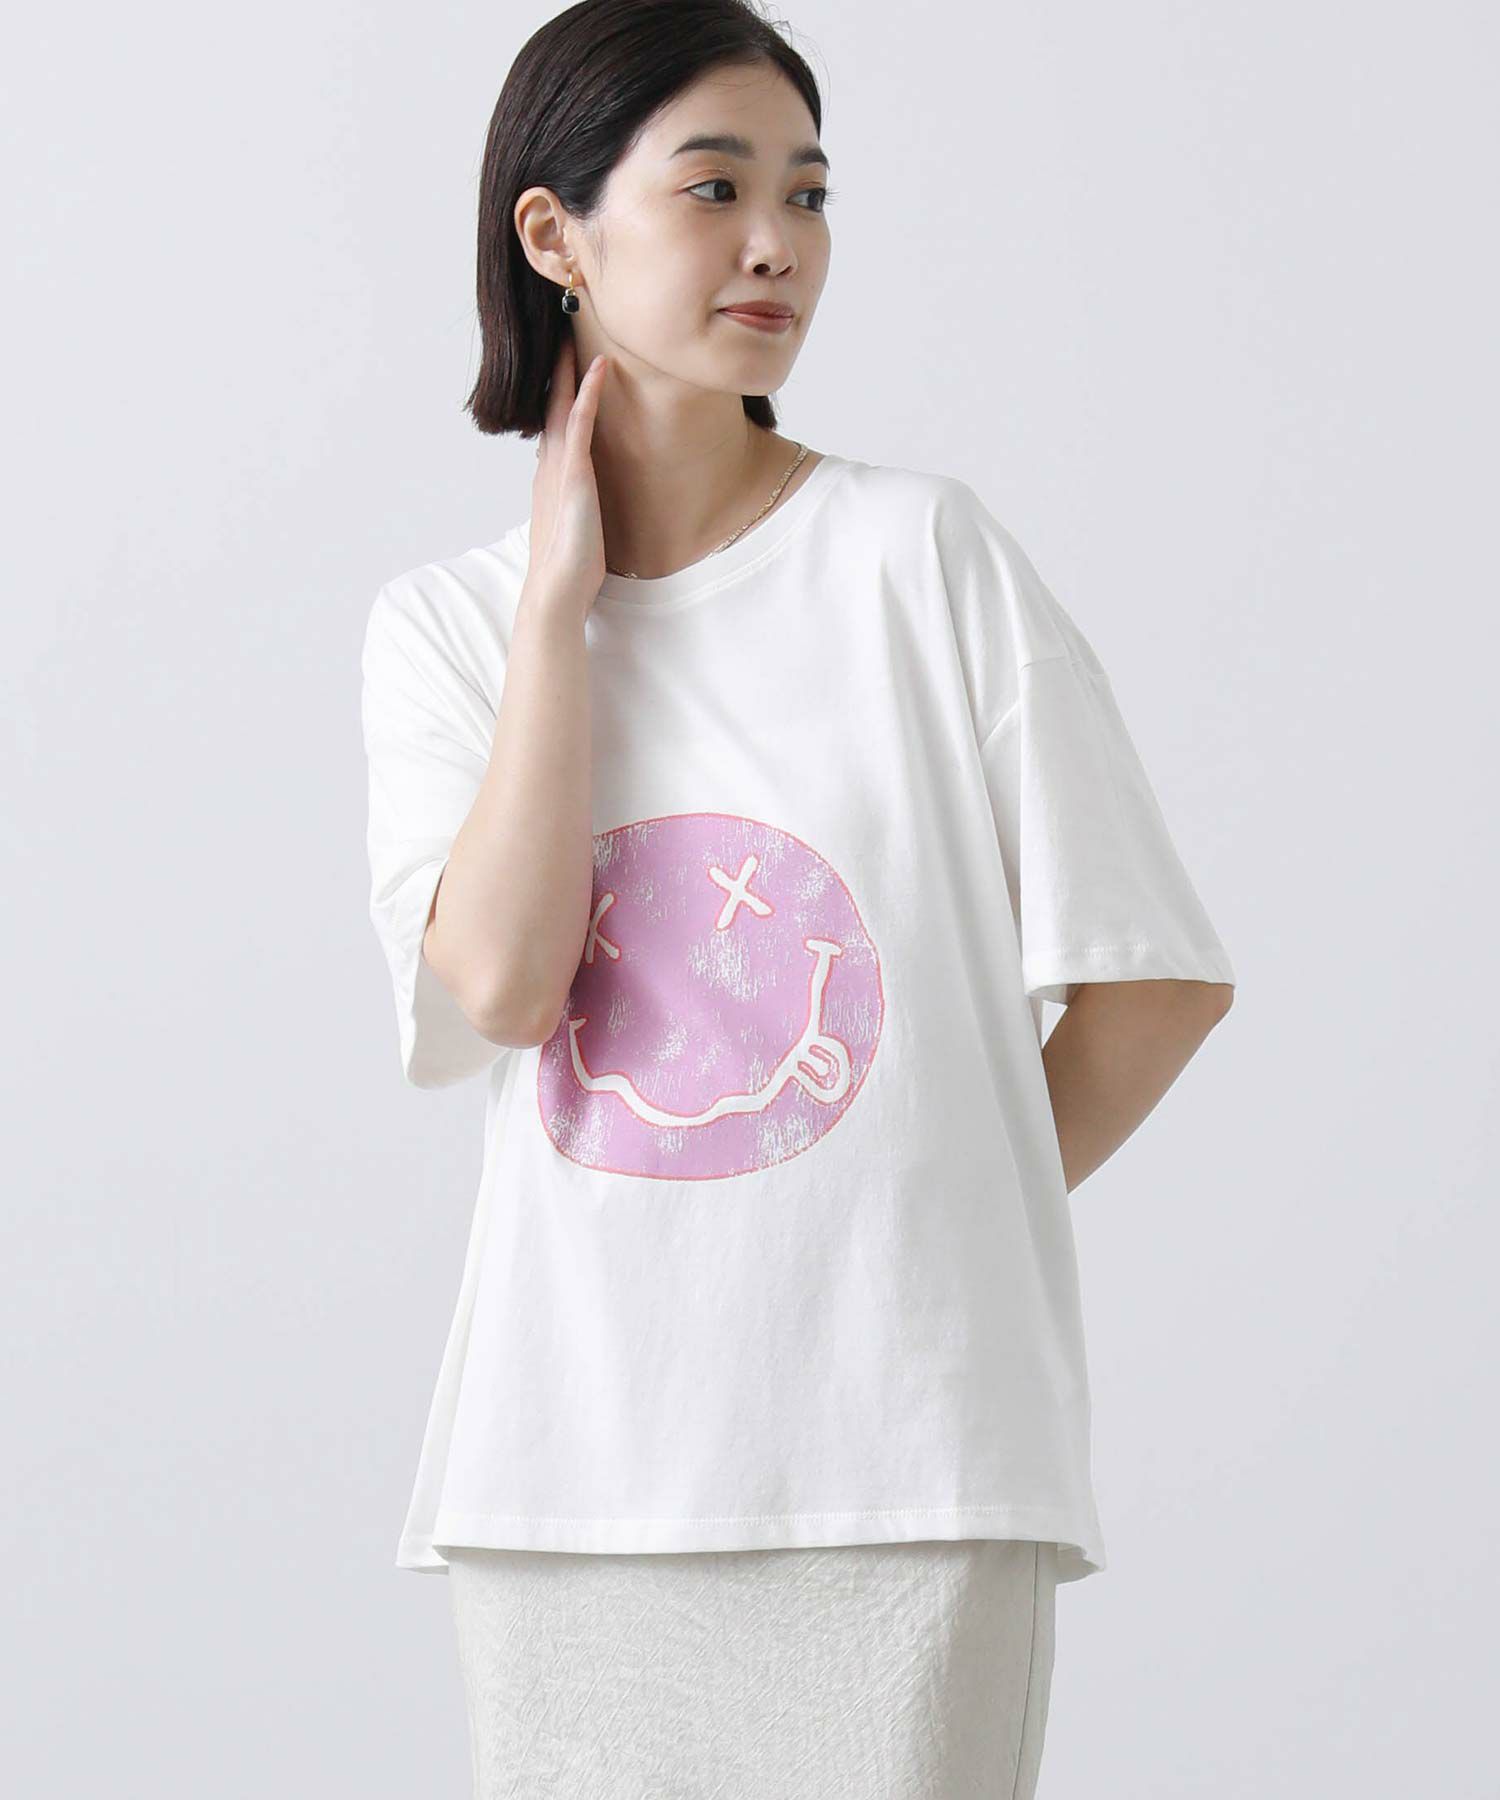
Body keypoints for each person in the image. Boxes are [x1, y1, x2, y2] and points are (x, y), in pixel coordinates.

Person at [358, 1, 1237, 1793]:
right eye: (716, 187)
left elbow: (1152, 980)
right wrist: (558, 620)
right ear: (556, 237)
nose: (777, 241)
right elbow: (506, 988)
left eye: (809, 193)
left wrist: (900, 1222)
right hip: (572, 1476)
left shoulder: (919, 557)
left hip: (901, 1468)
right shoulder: (448, 630)